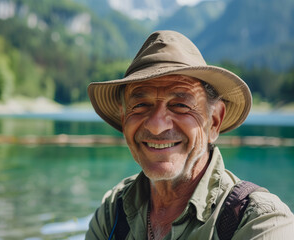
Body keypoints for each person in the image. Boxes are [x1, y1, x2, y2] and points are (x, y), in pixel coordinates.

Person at [85, 30, 294, 239]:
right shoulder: (113, 212)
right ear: (124, 119)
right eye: (140, 105)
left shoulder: (261, 221)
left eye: (180, 105)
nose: (157, 126)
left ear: (214, 122)